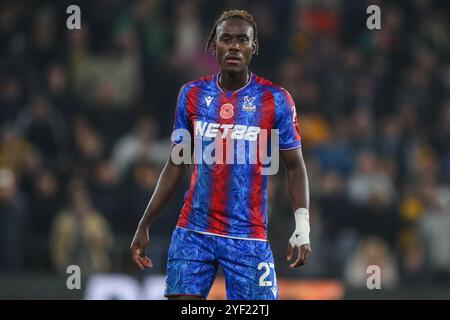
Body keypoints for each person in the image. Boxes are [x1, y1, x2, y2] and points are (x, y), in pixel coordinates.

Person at [130, 10, 311, 300]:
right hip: (194, 232)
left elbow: (294, 166)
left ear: (254, 47)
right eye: (226, 39)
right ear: (214, 45)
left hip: (248, 236)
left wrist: (302, 226)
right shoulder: (190, 95)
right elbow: (176, 163)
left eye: (242, 39)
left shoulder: (276, 99)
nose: (234, 46)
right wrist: (144, 223)